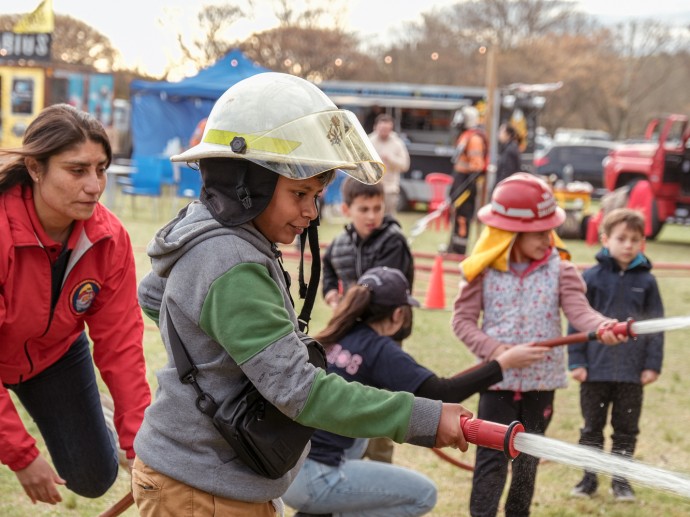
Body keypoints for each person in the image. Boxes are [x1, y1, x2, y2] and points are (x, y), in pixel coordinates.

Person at [132, 72, 474, 517]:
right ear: (246, 186)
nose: (311, 212)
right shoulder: (231, 260)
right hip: (202, 492)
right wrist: (423, 417)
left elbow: (154, 295)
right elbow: (301, 391)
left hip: (205, 480)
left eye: (316, 195)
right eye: (300, 194)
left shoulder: (210, 234)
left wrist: (216, 355)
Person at [284, 266, 548, 517]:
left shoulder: (335, 335)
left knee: (359, 440)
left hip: (289, 468)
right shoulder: (379, 349)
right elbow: (441, 393)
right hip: (315, 478)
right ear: (399, 314)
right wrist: (503, 364)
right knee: (423, 494)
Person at [451, 172, 627, 517]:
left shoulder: (560, 269)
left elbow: (580, 312)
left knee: (527, 459)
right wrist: (497, 352)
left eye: (551, 230)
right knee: (491, 459)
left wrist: (603, 326)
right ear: (509, 233)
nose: (550, 238)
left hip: (540, 386)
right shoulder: (483, 271)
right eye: (541, 232)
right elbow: (462, 322)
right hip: (496, 381)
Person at [0, 104, 151, 505]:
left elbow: (122, 345)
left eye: (100, 169)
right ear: (35, 167)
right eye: (77, 170)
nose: (95, 185)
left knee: (93, 478)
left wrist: (140, 449)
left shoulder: (110, 238)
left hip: (53, 354)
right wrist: (21, 455)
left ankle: (94, 413)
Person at [568, 208, 664, 502]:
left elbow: (656, 327)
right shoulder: (591, 278)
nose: (628, 245)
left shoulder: (647, 282)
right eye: (621, 238)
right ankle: (588, 480)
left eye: (635, 239)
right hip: (595, 372)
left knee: (626, 430)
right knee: (591, 428)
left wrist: (652, 365)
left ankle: (621, 482)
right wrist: (577, 361)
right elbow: (576, 322)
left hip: (631, 375)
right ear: (605, 239)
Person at [322, 176, 414, 310]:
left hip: (386, 321)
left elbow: (382, 290)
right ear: (346, 210)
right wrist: (330, 290)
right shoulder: (340, 243)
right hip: (352, 317)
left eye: (377, 208)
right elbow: (328, 264)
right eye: (364, 210)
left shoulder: (393, 242)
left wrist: (347, 309)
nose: (371, 216)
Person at [448, 105, 488, 255]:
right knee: (456, 214)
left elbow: (476, 165)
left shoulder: (474, 138)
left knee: (463, 217)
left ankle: (460, 248)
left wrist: (468, 184)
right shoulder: (466, 136)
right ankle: (453, 245)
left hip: (467, 182)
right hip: (459, 179)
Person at [368, 113, 410, 215]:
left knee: (388, 218)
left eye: (387, 130)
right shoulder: (368, 141)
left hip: (389, 188)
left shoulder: (398, 143)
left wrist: (391, 159)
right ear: (375, 127)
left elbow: (405, 165)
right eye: (381, 129)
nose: (384, 132)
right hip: (370, 187)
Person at [494, 123, 522, 188]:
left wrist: (499, 186)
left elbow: (507, 172)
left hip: (506, 187)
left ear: (508, 135)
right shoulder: (507, 148)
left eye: (501, 131)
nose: (499, 134)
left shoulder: (510, 150)